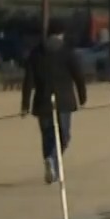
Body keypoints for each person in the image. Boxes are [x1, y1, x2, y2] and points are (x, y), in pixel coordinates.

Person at [20, 20, 88, 185]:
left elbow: (28, 80)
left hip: (42, 101)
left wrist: (25, 104)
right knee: (63, 136)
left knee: (47, 135)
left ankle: (50, 164)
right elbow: (78, 76)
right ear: (61, 33)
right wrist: (82, 97)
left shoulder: (36, 53)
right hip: (63, 101)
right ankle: (52, 159)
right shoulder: (67, 52)